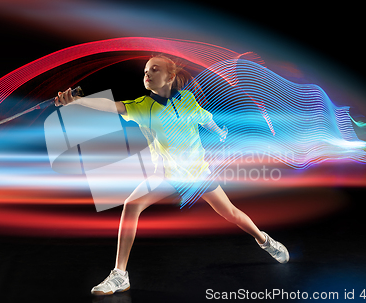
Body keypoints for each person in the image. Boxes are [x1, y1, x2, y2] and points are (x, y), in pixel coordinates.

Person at [55, 55, 289, 296]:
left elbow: (205, 118)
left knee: (231, 213)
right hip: (165, 176)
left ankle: (264, 241)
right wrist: (77, 102)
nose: (147, 74)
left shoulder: (187, 100)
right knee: (131, 205)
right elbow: (112, 107)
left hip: (197, 174)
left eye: (154, 70)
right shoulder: (142, 106)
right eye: (146, 70)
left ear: (170, 77)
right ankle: (120, 274)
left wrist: (219, 131)